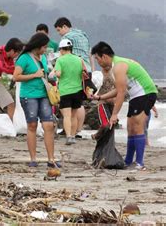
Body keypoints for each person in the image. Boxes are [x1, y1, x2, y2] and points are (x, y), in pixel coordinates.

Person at [91, 41, 157, 170]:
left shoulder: (119, 66)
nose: (98, 62)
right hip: (136, 96)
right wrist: (100, 97)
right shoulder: (117, 65)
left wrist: (114, 114)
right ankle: (127, 161)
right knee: (130, 129)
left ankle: (139, 163)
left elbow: (121, 93)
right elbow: (119, 89)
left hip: (145, 94)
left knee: (137, 128)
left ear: (104, 56)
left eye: (97, 59)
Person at [13, 32, 60, 168]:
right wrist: (34, 75)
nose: (45, 50)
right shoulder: (24, 58)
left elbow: (44, 74)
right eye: (44, 47)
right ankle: (33, 158)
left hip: (44, 94)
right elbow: (16, 77)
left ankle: (51, 159)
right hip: (29, 95)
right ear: (38, 46)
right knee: (32, 125)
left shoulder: (43, 58)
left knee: (48, 126)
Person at [54, 17, 94, 137]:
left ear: (65, 26)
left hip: (73, 70)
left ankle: (69, 130)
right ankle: (78, 130)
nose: (59, 33)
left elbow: (61, 56)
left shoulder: (67, 38)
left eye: (59, 30)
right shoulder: (83, 34)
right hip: (86, 70)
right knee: (79, 101)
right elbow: (89, 52)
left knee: (68, 102)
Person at [49, 39, 83, 145]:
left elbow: (58, 74)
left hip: (65, 91)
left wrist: (54, 71)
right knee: (74, 115)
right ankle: (73, 136)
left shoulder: (60, 60)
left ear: (62, 50)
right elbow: (83, 73)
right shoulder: (79, 59)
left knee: (67, 116)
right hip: (77, 90)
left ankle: (68, 136)